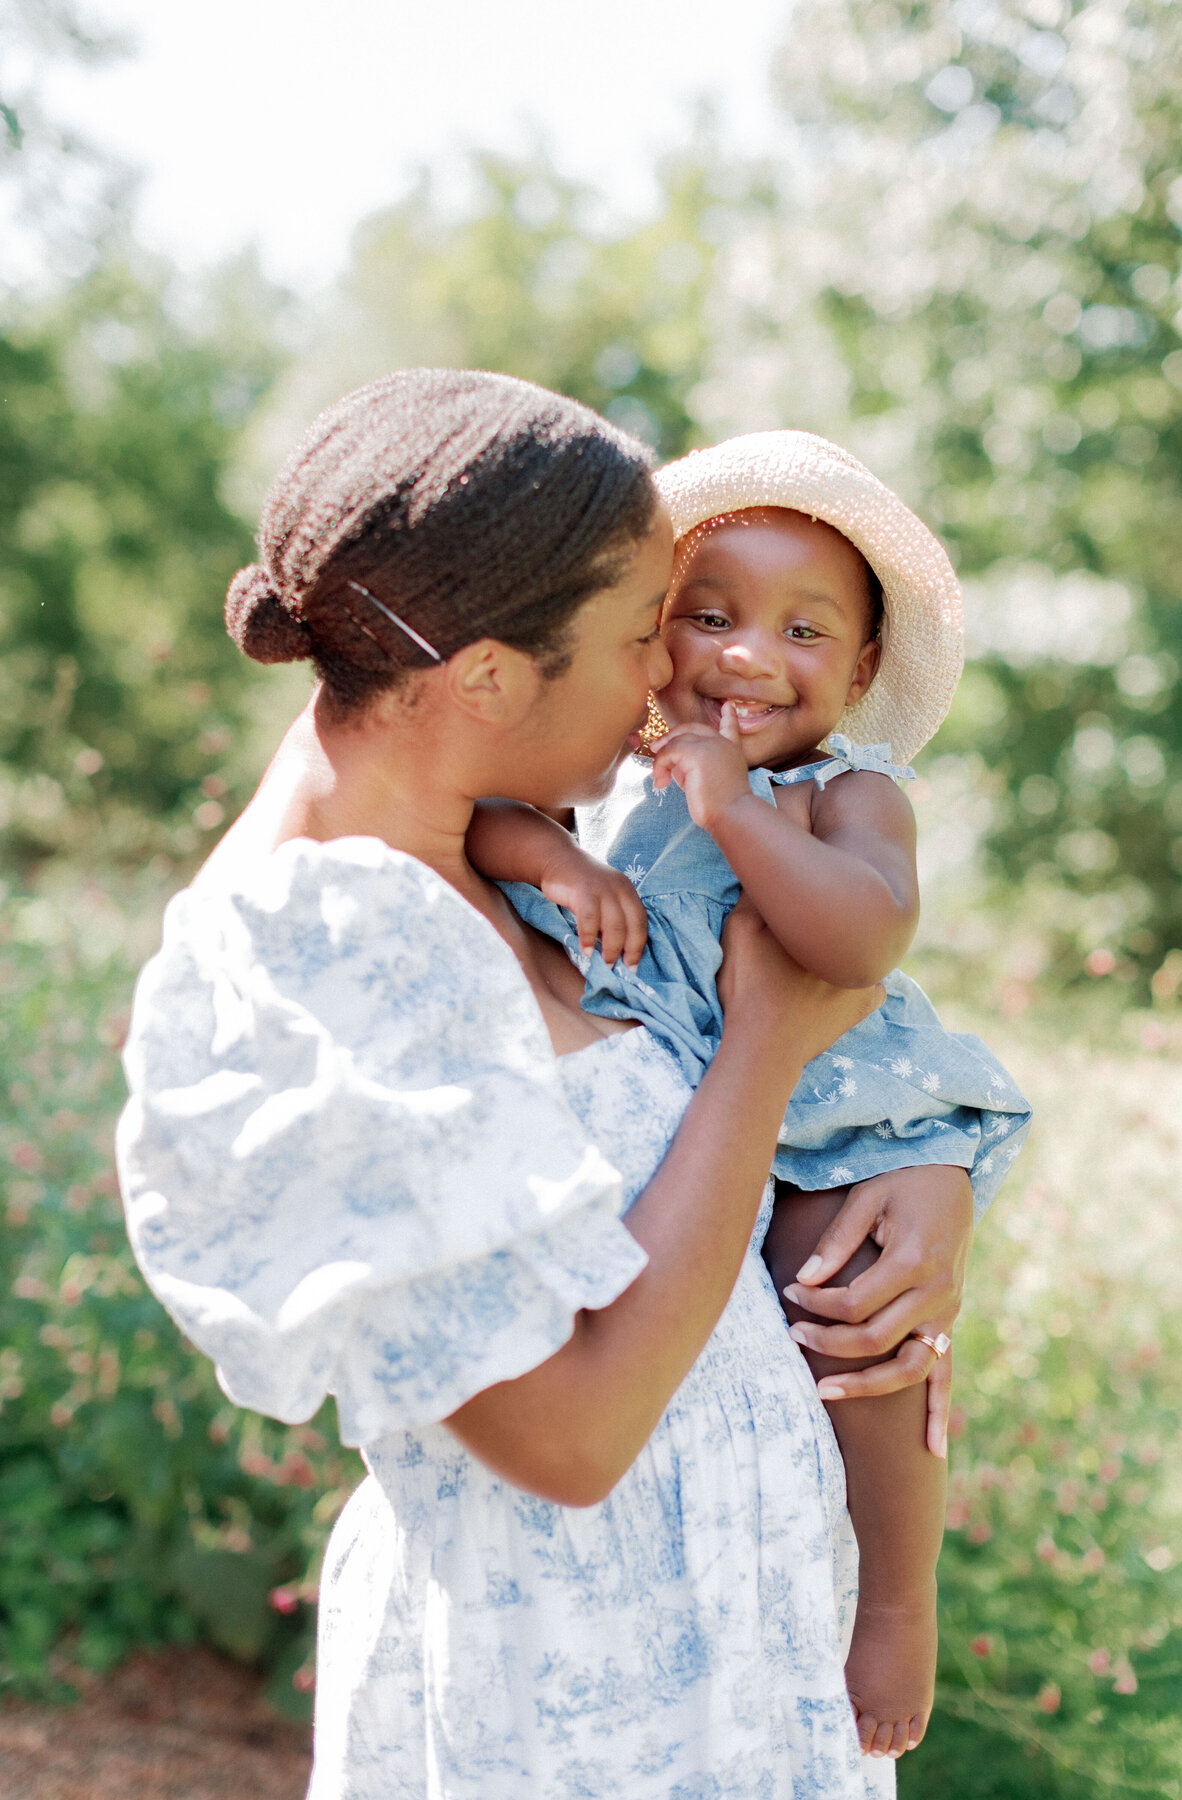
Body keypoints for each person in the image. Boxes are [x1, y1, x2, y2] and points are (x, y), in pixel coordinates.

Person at [117, 372, 976, 1798]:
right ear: (492, 678)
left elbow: (723, 1117)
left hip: (760, 1655)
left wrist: (914, 1178)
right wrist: (771, 1053)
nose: (675, 684)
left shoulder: (522, 855)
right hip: (570, 1714)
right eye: (651, 632)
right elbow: (568, 1437)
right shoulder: (306, 969)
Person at [467, 429, 1032, 1758]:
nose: (744, 656)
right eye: (707, 617)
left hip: (837, 1114)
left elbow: (858, 939)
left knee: (856, 1336)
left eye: (801, 631)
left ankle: (898, 1596)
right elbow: (481, 819)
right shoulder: (614, 774)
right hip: (690, 1086)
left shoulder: (845, 794)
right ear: (652, 630)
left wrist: (736, 814)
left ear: (863, 668)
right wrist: (557, 859)